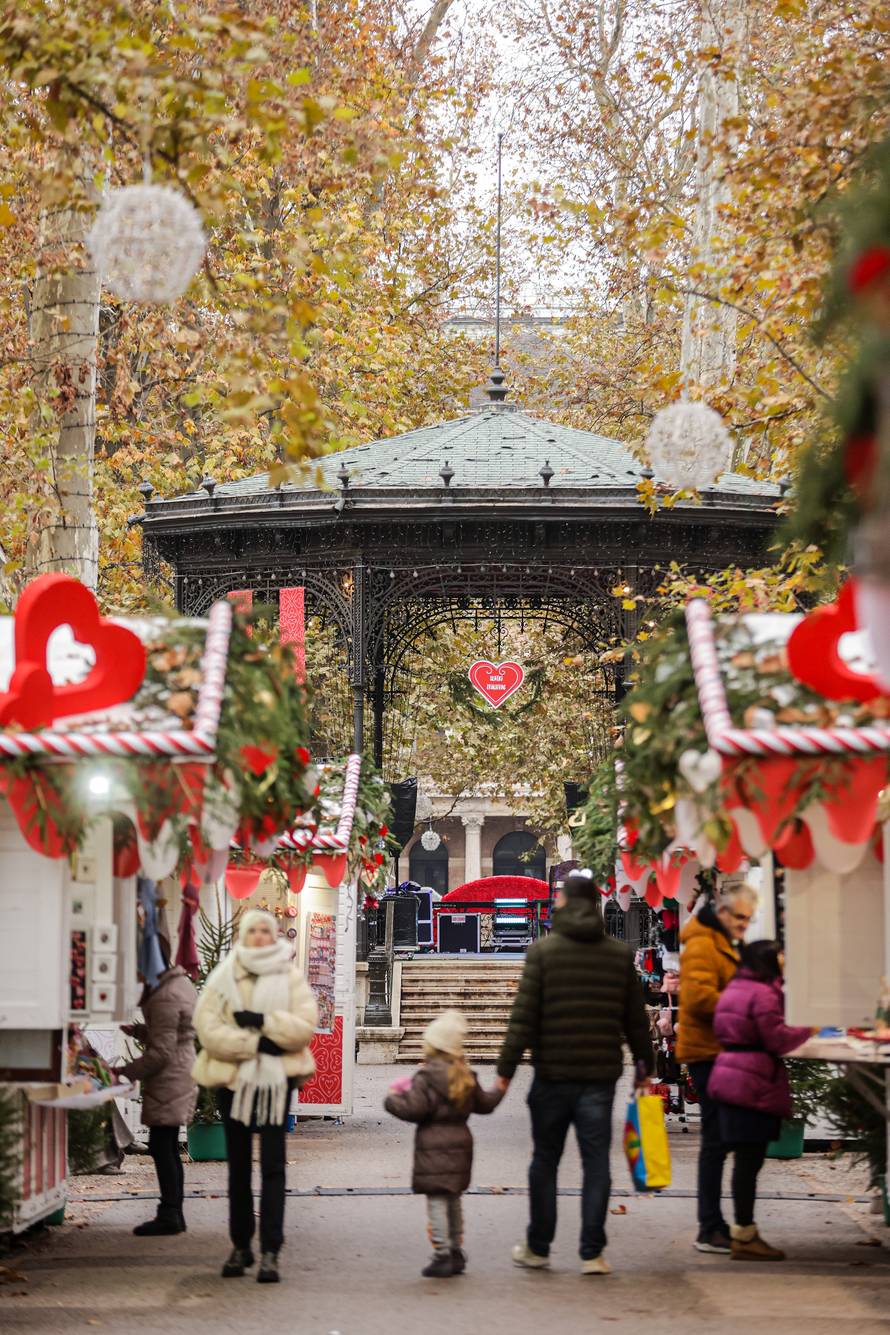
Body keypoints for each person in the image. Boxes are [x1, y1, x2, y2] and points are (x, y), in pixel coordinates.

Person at [496, 868, 654, 1276]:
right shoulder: (617, 955)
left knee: (545, 1160)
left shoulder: (543, 953)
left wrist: (505, 1071)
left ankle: (538, 1247)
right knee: (596, 1162)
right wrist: (645, 1067)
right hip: (599, 1078)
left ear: (563, 903)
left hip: (551, 1075)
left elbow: (523, 1018)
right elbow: (635, 1021)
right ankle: (592, 1252)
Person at [193, 908, 318, 1284]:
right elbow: (207, 1026)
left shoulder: (289, 976)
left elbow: (304, 1025)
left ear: (274, 934)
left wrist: (264, 1022)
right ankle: (240, 1245)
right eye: (254, 930)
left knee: (273, 1167)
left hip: (276, 1082)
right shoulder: (224, 975)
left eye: (267, 930)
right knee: (239, 1168)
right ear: (244, 935)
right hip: (234, 1082)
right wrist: (252, 1044)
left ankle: (271, 1251)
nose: (261, 936)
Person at [708, 940, 813, 1261]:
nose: (784, 960)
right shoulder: (764, 993)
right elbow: (776, 1038)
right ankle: (745, 1234)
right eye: (781, 955)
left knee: (744, 1158)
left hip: (730, 1074)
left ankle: (744, 1232)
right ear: (768, 960)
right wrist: (809, 1029)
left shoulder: (734, 988)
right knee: (749, 1160)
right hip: (752, 1080)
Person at [384, 1009, 503, 1278]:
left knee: (437, 1200)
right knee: (453, 1198)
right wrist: (500, 1088)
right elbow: (485, 1104)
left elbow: (414, 1110)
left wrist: (392, 1099)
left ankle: (442, 1254)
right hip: (461, 1144)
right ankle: (456, 1249)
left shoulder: (425, 1078)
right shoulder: (465, 1076)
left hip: (433, 1147)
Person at [675, 884, 756, 1255]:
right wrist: (749, 1002)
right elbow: (700, 998)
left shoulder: (721, 941)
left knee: (726, 1137)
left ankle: (721, 1225)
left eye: (748, 918)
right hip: (708, 1052)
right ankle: (709, 1226)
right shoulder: (703, 944)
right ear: (721, 913)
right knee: (716, 1139)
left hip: (722, 1050)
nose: (744, 924)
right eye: (739, 917)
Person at [116, 953, 198, 1235]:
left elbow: (162, 1052)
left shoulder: (165, 996)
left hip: (170, 1077)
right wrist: (140, 1031)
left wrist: (125, 1071)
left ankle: (170, 1214)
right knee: (168, 1146)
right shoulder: (179, 984)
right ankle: (173, 1212)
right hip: (180, 1069)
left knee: (162, 1146)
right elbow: (174, 1033)